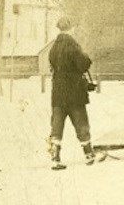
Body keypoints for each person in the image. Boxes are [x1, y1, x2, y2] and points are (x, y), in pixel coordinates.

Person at [48, 16, 103, 170]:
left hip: (58, 94)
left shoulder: (54, 47)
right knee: (81, 124)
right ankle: (89, 155)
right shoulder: (73, 45)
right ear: (71, 28)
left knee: (56, 126)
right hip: (74, 93)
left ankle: (55, 157)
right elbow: (84, 64)